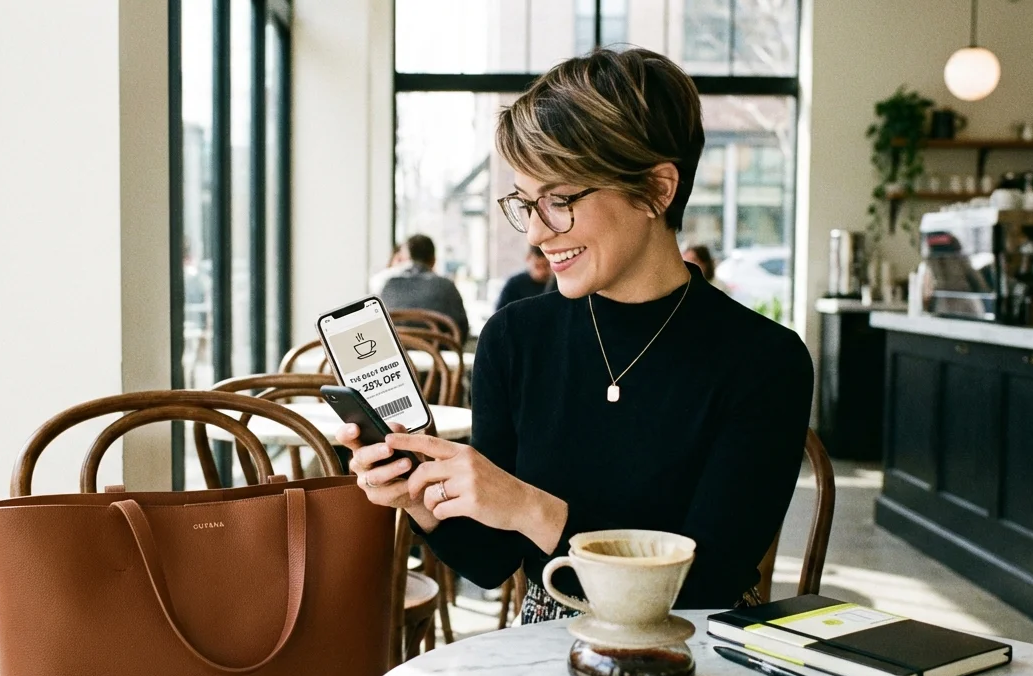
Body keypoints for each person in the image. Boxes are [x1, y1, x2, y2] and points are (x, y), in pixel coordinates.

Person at [340, 47, 813, 622]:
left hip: (699, 654)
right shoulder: (515, 339)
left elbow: (707, 584)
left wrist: (534, 510)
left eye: (560, 201)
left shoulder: (765, 361)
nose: (537, 233)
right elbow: (490, 562)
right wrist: (423, 502)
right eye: (525, 203)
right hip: (546, 646)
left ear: (658, 190)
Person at [379, 234, 471, 339]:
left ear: (408, 258)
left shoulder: (390, 284)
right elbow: (461, 331)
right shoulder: (446, 287)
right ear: (433, 260)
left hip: (399, 351)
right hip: (438, 353)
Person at [495, 245, 556, 310]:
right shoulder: (514, 284)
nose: (542, 272)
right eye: (538, 266)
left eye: (546, 266)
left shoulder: (558, 284)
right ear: (528, 258)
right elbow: (500, 313)